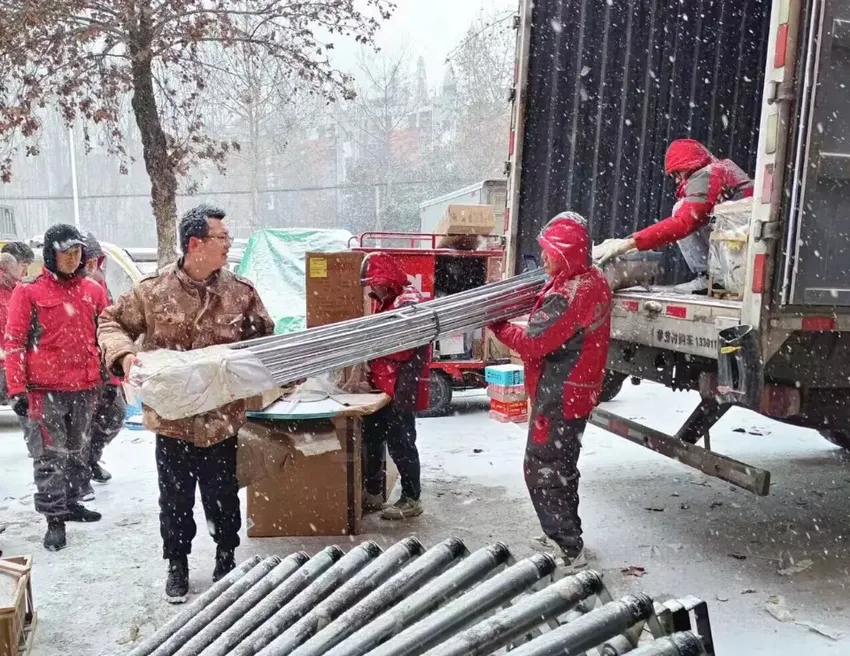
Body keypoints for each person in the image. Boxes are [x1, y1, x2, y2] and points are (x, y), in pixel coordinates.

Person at [98, 204, 273, 604]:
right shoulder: (153, 291)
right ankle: (177, 563)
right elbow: (111, 323)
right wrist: (124, 357)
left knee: (223, 497)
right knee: (174, 500)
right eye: (221, 238)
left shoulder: (240, 293)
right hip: (173, 422)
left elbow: (265, 341)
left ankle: (226, 559)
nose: (228, 244)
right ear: (196, 243)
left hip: (220, 422)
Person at [490, 212, 612, 567]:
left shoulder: (571, 293)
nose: (542, 257)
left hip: (561, 393)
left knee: (543, 467)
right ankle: (563, 533)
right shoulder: (588, 279)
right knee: (560, 464)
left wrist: (496, 323)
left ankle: (567, 547)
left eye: (547, 251)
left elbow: (532, 342)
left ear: (565, 253)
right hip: (574, 389)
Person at [4, 225, 109, 552]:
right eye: (67, 252)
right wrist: (17, 388)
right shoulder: (30, 291)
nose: (73, 258)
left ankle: (73, 502)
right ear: (51, 254)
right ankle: (54, 519)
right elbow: (15, 342)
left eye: (77, 252)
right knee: (50, 455)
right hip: (44, 389)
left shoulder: (92, 291)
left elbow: (106, 335)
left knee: (78, 450)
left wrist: (111, 377)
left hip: (86, 387)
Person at [593, 138, 754, 292]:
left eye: (677, 174)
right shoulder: (722, 169)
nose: (677, 181)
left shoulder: (707, 174)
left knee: (680, 209)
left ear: (689, 165)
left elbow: (684, 222)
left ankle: (711, 278)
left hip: (740, 240)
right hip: (746, 242)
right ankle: (720, 277)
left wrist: (631, 242)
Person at [359, 252, 429, 521]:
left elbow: (401, 347)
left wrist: (372, 346)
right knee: (372, 437)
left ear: (387, 279)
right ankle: (373, 492)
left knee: (401, 442)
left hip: (401, 384)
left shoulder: (407, 302)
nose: (371, 288)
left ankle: (412, 498)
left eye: (374, 282)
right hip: (383, 384)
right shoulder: (386, 300)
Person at [80, 232, 126, 492]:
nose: (93, 268)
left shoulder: (99, 286)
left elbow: (108, 327)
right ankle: (79, 474)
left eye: (95, 262)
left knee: (113, 417)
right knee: (80, 425)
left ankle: (91, 459)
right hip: (79, 368)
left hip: (103, 365)